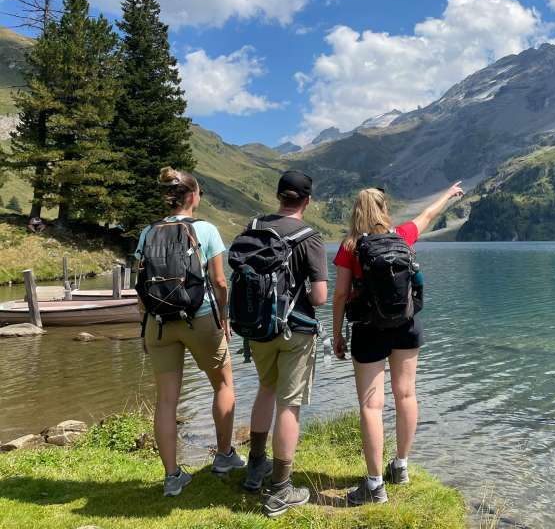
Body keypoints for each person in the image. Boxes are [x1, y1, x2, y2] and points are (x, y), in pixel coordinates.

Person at [332, 182, 463, 505]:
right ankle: (401, 466)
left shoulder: (350, 246)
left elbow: (339, 294)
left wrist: (336, 334)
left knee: (370, 405)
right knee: (406, 394)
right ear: (384, 208)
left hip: (368, 329)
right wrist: (447, 194)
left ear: (357, 211)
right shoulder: (402, 235)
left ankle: (375, 485)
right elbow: (428, 215)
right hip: (407, 325)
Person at [136, 167, 242, 497]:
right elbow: (220, 282)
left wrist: (144, 327)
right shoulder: (206, 229)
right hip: (201, 318)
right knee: (223, 384)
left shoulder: (147, 233)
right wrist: (224, 319)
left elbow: (139, 287)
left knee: (166, 399)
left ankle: (172, 477)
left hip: (158, 323)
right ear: (193, 197)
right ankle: (224, 457)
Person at [242, 171, 329, 517]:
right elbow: (320, 297)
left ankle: (255, 467)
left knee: (265, 389)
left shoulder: (253, 228)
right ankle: (280, 490)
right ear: (306, 202)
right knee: (289, 405)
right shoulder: (310, 237)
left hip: (258, 328)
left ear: (279, 196)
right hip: (295, 330)